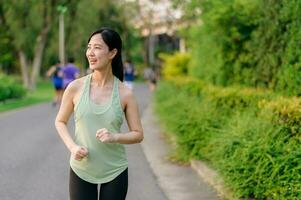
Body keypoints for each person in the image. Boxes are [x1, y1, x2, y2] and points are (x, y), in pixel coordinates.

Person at [55, 27, 143, 200]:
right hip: (82, 168)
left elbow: (138, 134)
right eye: (89, 47)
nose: (90, 53)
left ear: (112, 53)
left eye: (97, 47)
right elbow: (60, 121)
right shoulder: (75, 87)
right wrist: (72, 148)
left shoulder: (125, 94)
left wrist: (114, 137)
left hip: (115, 170)